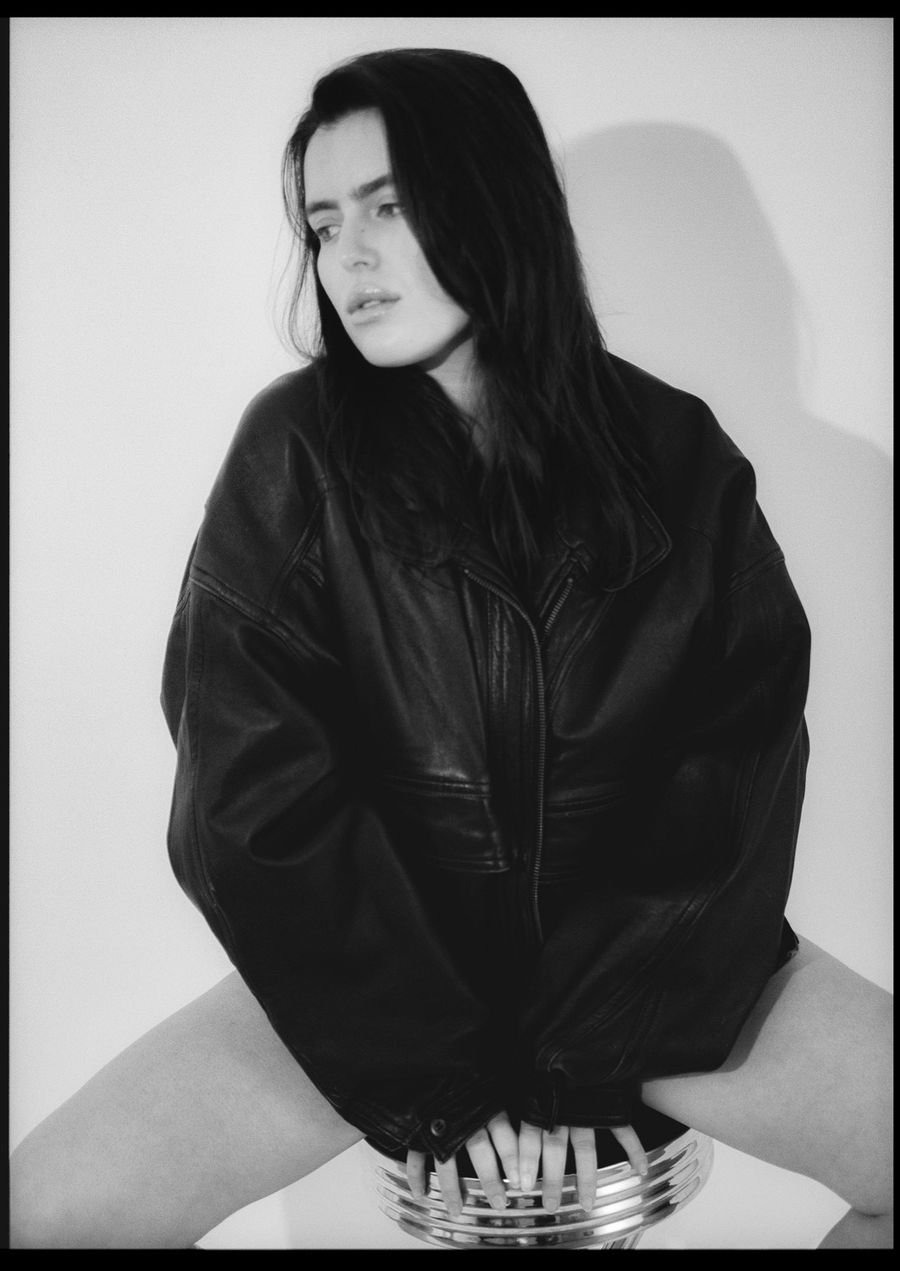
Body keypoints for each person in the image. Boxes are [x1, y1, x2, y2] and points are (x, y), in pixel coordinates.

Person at [10, 47, 891, 1250]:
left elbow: (733, 778)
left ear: (493, 199)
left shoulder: (680, 453)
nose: (349, 258)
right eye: (324, 224)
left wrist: (588, 1054)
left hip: (651, 987)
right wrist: (442, 1079)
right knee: (45, 1213)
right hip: (379, 981)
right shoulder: (293, 454)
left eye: (387, 207)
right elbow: (251, 808)